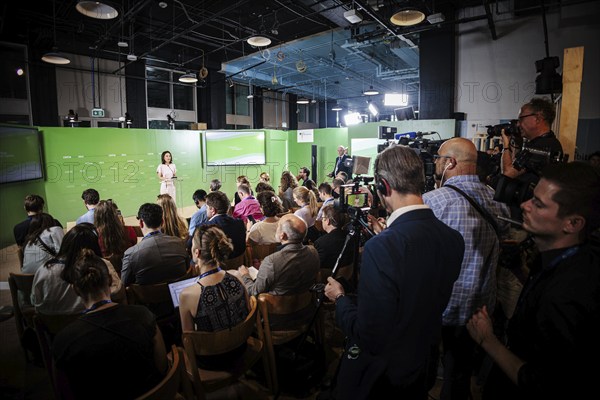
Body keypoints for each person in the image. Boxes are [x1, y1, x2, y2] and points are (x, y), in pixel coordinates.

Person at [324, 145, 465, 399]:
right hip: (423, 365)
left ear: (383, 187)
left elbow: (369, 335)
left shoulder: (382, 248)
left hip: (386, 377)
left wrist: (341, 299)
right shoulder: (453, 239)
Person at [467, 162, 600, 400]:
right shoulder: (561, 260)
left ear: (573, 223)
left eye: (538, 204)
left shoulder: (566, 296)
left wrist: (488, 340)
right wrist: (521, 271)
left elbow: (546, 384)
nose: (524, 205)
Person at [422, 138, 510, 400]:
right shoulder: (497, 198)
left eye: (439, 158)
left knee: (425, 370)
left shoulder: (433, 202)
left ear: (450, 162)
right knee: (459, 374)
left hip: (439, 305)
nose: (436, 164)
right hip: (479, 307)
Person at [52, 249, 166, 400]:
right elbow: (162, 366)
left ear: (76, 289)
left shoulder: (63, 341)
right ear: (111, 281)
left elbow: (64, 392)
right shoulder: (143, 316)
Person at [179, 225, 250, 368]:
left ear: (196, 253)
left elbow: (189, 341)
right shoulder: (237, 277)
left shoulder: (187, 295)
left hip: (211, 360)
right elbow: (247, 312)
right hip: (242, 346)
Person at [31, 223, 123, 315]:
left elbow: (35, 301)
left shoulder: (44, 269)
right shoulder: (101, 264)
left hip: (52, 327)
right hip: (95, 322)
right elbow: (117, 292)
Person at [500, 98, 563, 216]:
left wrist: (506, 145)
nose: (518, 124)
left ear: (538, 118)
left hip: (530, 213)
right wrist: (516, 144)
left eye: (521, 118)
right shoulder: (538, 144)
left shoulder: (544, 147)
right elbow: (515, 164)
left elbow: (508, 173)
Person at [238, 214, 319, 296]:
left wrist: (245, 275)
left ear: (282, 235)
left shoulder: (271, 261)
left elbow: (253, 292)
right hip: (306, 303)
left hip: (279, 307)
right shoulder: (313, 251)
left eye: (278, 226)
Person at [121, 203, 189, 286]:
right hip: (179, 296)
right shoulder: (179, 243)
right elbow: (187, 269)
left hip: (147, 298)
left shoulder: (131, 254)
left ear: (141, 223)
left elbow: (124, 283)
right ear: (163, 222)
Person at [94, 200, 137, 273]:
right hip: (128, 270)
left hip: (108, 274)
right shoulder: (129, 230)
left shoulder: (95, 235)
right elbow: (134, 244)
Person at [202, 191, 247, 259]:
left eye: (207, 207)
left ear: (212, 210)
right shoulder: (240, 223)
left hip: (218, 267)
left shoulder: (204, 228)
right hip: (238, 264)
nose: (206, 209)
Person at [313, 205, 353, 270]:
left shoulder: (320, 243)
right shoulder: (351, 237)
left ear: (328, 221)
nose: (322, 221)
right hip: (348, 276)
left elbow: (316, 267)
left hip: (327, 278)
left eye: (323, 218)